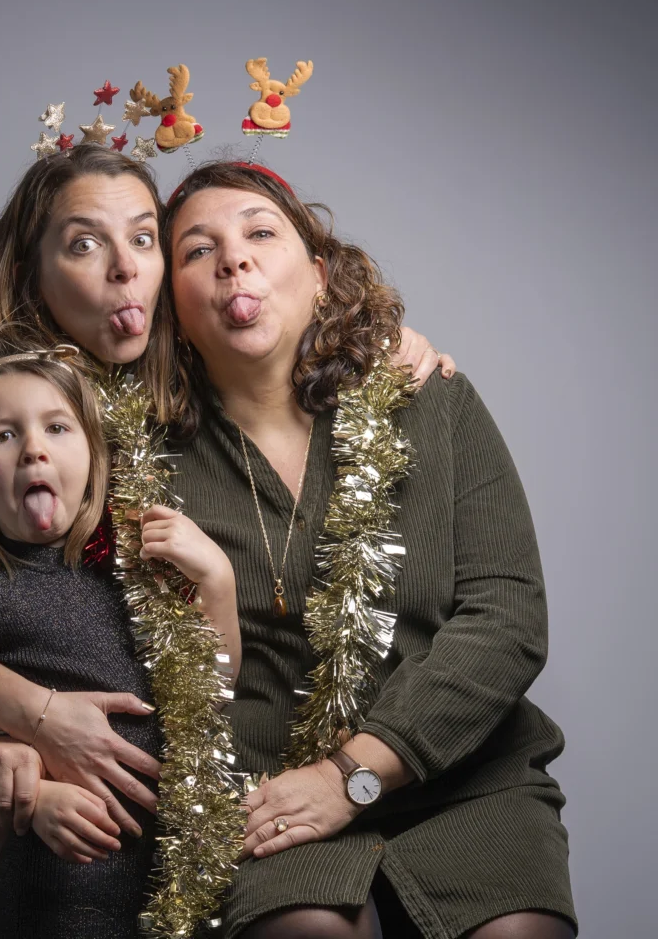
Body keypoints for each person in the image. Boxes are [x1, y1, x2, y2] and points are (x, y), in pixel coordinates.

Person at [0, 144, 454, 936]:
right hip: (4, 709)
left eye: (144, 239)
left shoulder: (173, 351)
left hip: (160, 704)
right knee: (18, 897)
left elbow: (270, 325)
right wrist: (33, 719)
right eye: (83, 244)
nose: (124, 270)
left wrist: (389, 343)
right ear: (31, 268)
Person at [156, 161, 576, 938]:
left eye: (259, 233)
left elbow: (508, 616)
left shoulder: (429, 397)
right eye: (195, 250)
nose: (232, 260)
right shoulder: (141, 460)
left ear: (319, 277)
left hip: (464, 773)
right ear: (171, 306)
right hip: (268, 794)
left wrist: (351, 774)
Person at [0, 341, 239, 937]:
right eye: (2, 436)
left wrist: (219, 581)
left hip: (174, 876)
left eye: (57, 427)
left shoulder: (132, 575)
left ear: (93, 456)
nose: (33, 448)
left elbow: (215, 683)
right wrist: (31, 803)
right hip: (66, 883)